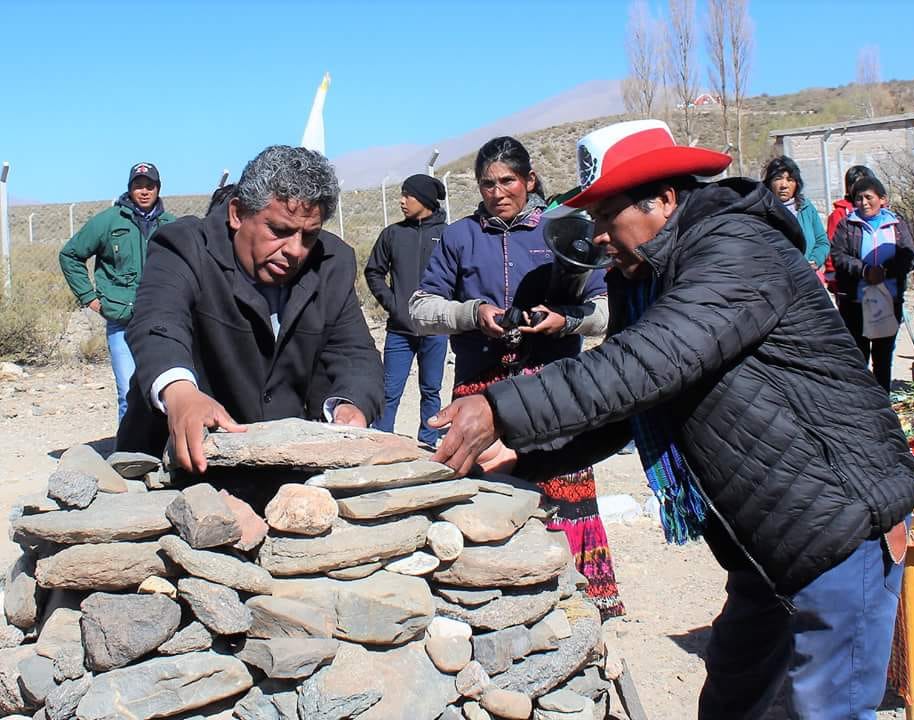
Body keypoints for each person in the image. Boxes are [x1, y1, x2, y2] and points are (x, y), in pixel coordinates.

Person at [426, 119, 914, 719]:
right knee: (733, 698)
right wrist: (532, 456)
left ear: (663, 199)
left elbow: (646, 363)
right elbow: (637, 403)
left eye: (610, 216)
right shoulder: (650, 277)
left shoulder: (735, 247)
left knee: (826, 710)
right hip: (766, 542)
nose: (602, 237)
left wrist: (501, 406)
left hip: (836, 521)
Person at [408, 136, 624, 619]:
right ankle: (486, 604)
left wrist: (565, 320)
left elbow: (607, 311)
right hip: (478, 389)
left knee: (562, 487)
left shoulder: (567, 228)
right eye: (487, 183)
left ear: (529, 181)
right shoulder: (459, 236)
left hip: (555, 387)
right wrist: (473, 313)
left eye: (508, 180)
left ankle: (576, 602)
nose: (497, 191)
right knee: (485, 495)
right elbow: (420, 308)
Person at [114, 145, 382, 473]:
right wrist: (181, 393)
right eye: (280, 231)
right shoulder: (185, 246)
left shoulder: (331, 262)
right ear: (238, 214)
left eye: (309, 235)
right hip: (174, 464)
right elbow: (157, 321)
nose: (295, 250)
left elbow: (354, 352)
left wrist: (350, 405)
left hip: (284, 469)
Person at [59, 163, 175, 422]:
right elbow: (70, 255)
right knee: (127, 392)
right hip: (122, 320)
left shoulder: (171, 225)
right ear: (129, 188)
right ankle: (128, 452)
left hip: (162, 322)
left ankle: (166, 450)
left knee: (166, 391)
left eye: (149, 186)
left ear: (158, 189)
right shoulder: (109, 221)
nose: (144, 192)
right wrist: (89, 297)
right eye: (138, 186)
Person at [364, 174, 448, 446]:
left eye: (407, 195)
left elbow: (460, 276)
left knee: (431, 390)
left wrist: (447, 312)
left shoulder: (447, 235)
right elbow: (374, 272)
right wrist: (394, 305)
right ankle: (381, 441)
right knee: (389, 390)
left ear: (423, 199)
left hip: (436, 330)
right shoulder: (392, 234)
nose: (401, 201)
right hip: (399, 330)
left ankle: (428, 442)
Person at [830, 175, 914, 391]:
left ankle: (883, 399)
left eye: (869, 197)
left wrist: (886, 272)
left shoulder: (896, 225)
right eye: (859, 198)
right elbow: (838, 256)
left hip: (888, 299)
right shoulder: (847, 225)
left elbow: (910, 257)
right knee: (858, 355)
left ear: (883, 199)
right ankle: (861, 402)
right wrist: (865, 271)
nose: (864, 203)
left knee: (883, 354)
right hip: (855, 301)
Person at [763, 156, 828, 270]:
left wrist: (814, 261)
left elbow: (822, 242)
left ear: (797, 183)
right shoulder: (761, 210)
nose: (784, 185)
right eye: (778, 178)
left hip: (806, 276)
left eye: (790, 180)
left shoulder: (806, 207)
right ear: (769, 182)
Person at [825, 164, 876, 297]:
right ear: (848, 188)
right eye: (856, 184)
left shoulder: (882, 213)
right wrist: (832, 274)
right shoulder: (840, 214)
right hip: (848, 279)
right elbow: (832, 247)